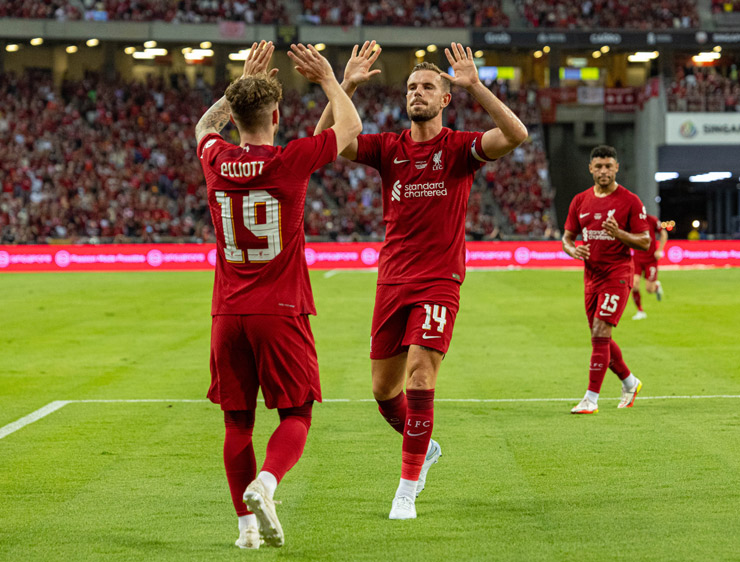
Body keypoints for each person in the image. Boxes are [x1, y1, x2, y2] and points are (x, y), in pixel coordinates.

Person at [314, 41, 528, 519]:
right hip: (391, 281)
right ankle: (425, 447)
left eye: (428, 86)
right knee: (382, 391)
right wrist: (343, 83)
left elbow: (516, 134)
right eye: (412, 86)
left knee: (420, 375)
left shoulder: (458, 149)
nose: (417, 92)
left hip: (438, 280)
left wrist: (476, 86)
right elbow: (322, 143)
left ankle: (406, 490)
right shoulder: (388, 148)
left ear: (445, 99)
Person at [195, 40, 361, 549]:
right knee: (297, 413)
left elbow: (204, 127)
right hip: (281, 307)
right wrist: (333, 79)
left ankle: (246, 532)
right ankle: (265, 485)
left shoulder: (216, 158)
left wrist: (239, 84)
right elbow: (350, 129)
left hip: (228, 312)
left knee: (237, 421)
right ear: (276, 112)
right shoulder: (291, 160)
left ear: (237, 115)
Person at [562, 145, 650, 415]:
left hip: (617, 275)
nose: (603, 171)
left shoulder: (630, 201)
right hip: (591, 278)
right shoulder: (580, 201)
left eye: (608, 166)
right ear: (590, 168)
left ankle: (591, 398)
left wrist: (620, 233)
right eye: (598, 166)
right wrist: (574, 250)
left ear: (616, 168)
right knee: (600, 337)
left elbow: (645, 241)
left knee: (601, 333)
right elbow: (567, 238)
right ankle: (629, 382)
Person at [631, 214, 667, 319]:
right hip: (637, 258)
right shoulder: (632, 221)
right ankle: (640, 311)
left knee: (649, 289)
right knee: (634, 285)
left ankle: (656, 287)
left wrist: (660, 250)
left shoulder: (652, 220)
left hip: (650, 259)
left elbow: (663, 234)